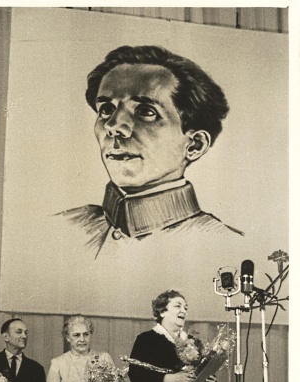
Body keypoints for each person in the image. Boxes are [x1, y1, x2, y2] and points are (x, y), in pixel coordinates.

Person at [58, 44, 243, 256]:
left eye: (145, 112)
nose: (113, 126)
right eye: (107, 109)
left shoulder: (224, 246)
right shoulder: (62, 228)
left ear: (195, 145)